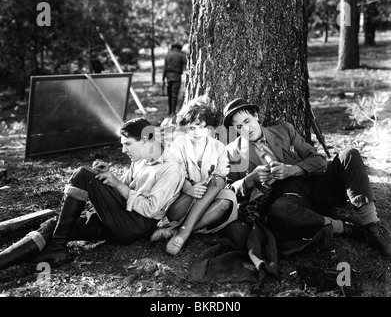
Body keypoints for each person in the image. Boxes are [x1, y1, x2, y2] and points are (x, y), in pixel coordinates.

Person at [0, 118, 185, 269]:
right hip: (118, 216)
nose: (123, 150)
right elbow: (125, 185)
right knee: (53, 225)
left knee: (84, 175)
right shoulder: (141, 158)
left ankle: (57, 247)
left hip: (135, 226)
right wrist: (107, 176)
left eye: (128, 144)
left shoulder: (171, 169)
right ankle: (33, 253)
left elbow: (151, 209)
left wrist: (115, 184)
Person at [222, 98, 391, 257]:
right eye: (238, 127)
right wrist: (251, 178)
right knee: (279, 211)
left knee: (349, 154)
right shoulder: (232, 152)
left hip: (315, 186)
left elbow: (319, 161)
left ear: (256, 116)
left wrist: (292, 169)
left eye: (247, 121)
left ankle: (372, 226)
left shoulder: (284, 130)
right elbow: (229, 191)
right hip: (288, 201)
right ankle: (343, 227)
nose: (246, 129)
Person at [150, 96, 238, 256]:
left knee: (227, 196)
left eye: (202, 127)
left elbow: (222, 174)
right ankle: (182, 230)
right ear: (184, 128)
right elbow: (175, 173)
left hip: (209, 201)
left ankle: (180, 231)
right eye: (192, 128)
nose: (197, 133)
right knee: (216, 184)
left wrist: (210, 182)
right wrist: (189, 188)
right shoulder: (178, 145)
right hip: (182, 201)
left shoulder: (218, 147)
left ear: (209, 128)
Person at [162, 42, 187, 116]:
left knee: (169, 95)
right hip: (176, 76)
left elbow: (164, 68)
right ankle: (173, 112)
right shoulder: (181, 55)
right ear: (179, 48)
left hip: (168, 76)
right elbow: (187, 62)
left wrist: (163, 78)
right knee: (174, 95)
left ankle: (169, 111)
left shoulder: (168, 55)